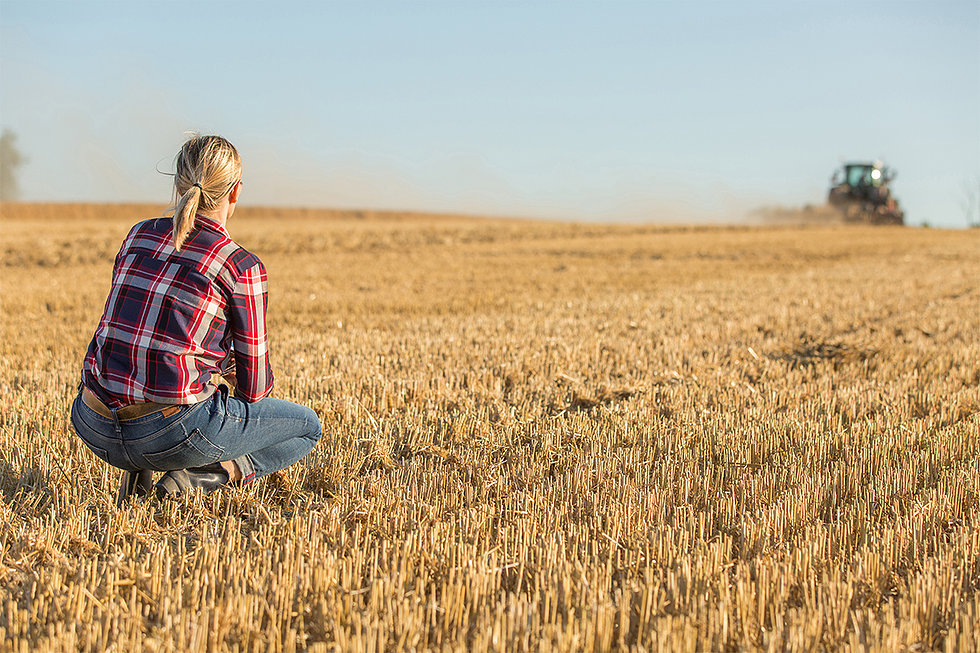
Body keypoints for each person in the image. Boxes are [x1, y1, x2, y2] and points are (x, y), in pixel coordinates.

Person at [70, 134, 321, 504]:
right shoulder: (240, 265)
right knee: (306, 428)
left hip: (93, 423)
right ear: (235, 192)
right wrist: (227, 369)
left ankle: (138, 474)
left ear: (177, 184)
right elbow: (254, 390)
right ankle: (201, 476)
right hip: (168, 434)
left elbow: (146, 326)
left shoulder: (138, 235)